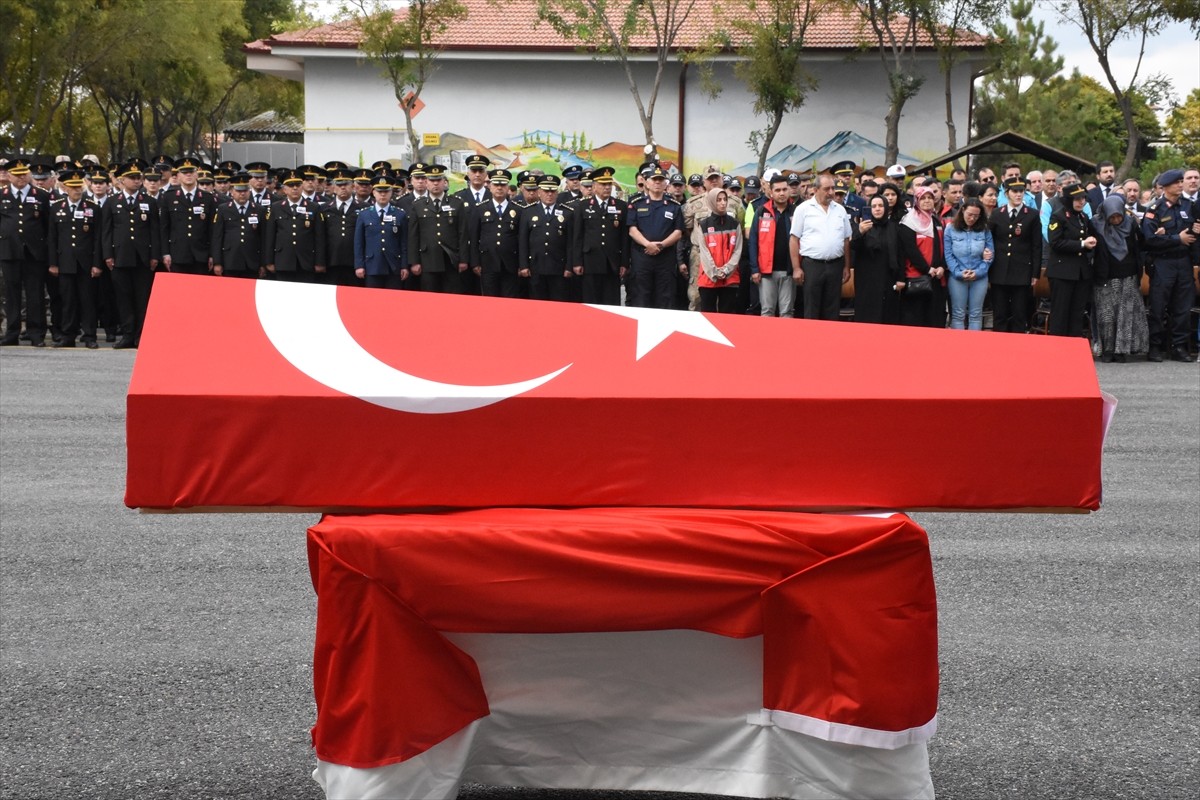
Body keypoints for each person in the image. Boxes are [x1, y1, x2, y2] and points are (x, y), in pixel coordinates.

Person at [100, 161, 161, 348]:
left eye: (138, 178)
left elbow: (154, 231)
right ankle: (127, 334)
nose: (136, 181)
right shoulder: (112, 202)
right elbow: (106, 231)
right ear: (122, 180)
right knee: (123, 298)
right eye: (132, 178)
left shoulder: (149, 202)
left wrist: (154, 255)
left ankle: (141, 335)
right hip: (120, 256)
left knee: (142, 299)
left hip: (143, 257)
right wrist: (108, 255)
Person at [1141, 168, 1198, 362]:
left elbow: (1193, 233)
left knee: (1183, 306)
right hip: (1163, 262)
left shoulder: (1189, 206)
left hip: (1184, 261)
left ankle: (1179, 346)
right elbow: (1149, 239)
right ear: (1165, 187)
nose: (1181, 185)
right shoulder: (1155, 209)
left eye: (1182, 181)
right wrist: (1176, 239)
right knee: (1158, 306)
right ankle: (1155, 346)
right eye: (1177, 182)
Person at [46, 167, 102, 348]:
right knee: (67, 300)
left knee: (87, 300)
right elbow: (52, 238)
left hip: (86, 262)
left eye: (79, 186)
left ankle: (90, 336)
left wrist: (97, 264)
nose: (77, 190)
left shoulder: (92, 208)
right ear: (65, 187)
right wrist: (53, 263)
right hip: (65, 262)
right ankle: (68, 335)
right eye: (73, 187)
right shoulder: (57, 207)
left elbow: (98, 238)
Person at [0, 157, 51, 346]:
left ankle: (36, 333)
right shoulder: (2, 195)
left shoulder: (41, 195)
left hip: (34, 252)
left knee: (35, 294)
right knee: (11, 294)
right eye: (17, 175)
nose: (21, 178)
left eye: (24, 174)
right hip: (9, 251)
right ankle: (12, 332)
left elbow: (47, 225)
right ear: (9, 176)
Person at [1091, 194, 1148, 362]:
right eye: (1112, 217)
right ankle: (1107, 350)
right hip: (1104, 277)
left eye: (1118, 216)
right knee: (1106, 316)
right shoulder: (1095, 224)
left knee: (1125, 315)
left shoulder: (1131, 223)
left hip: (1128, 276)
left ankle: (1121, 350)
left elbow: (1141, 244)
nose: (1116, 220)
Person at [789, 173, 851, 321]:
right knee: (812, 308)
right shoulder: (803, 209)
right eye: (827, 189)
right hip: (812, 266)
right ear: (816, 190)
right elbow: (794, 239)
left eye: (833, 188)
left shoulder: (840, 210)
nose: (831, 192)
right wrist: (796, 268)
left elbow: (846, 240)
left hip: (835, 265)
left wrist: (847, 266)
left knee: (832, 309)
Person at [626, 163, 684, 308]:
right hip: (642, 258)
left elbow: (678, 232)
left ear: (665, 184)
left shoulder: (674, 205)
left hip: (665, 259)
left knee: (665, 298)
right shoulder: (636, 204)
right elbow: (632, 230)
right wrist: (648, 244)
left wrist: (661, 245)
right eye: (654, 179)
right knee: (641, 298)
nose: (657, 183)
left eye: (661, 180)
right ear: (646, 182)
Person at [988, 177, 1041, 333]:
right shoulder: (997, 214)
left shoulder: (1032, 214)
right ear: (1006, 193)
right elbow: (989, 240)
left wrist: (1035, 273)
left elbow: (1036, 245)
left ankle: (1018, 344)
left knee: (1019, 314)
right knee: (1000, 313)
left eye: (1021, 191)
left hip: (1022, 271)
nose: (1018, 194)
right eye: (1014, 191)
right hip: (1000, 270)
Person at [408, 163, 471, 293]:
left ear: (444, 182)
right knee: (430, 297)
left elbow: (463, 233)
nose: (435, 183)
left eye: (438, 180)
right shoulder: (418, 205)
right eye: (432, 180)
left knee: (451, 297)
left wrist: (463, 260)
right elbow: (413, 236)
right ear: (426, 182)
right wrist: (414, 262)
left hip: (451, 259)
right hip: (428, 260)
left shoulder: (456, 203)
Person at [571, 166, 628, 306]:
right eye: (603, 184)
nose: (607, 187)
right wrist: (577, 262)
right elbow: (578, 236)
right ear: (594, 186)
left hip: (612, 262)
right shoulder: (583, 206)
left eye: (609, 184)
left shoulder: (621, 206)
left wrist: (624, 263)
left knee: (611, 301)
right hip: (590, 261)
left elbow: (624, 238)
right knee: (591, 301)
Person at [1046, 183, 1096, 337]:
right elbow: (1055, 242)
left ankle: (1074, 346)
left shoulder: (1083, 217)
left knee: (1077, 314)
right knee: (1060, 313)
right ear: (1068, 200)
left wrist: (1090, 244)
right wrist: (1081, 244)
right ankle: (1058, 346)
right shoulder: (1059, 216)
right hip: (1063, 272)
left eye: (1083, 198)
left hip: (1080, 273)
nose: (1082, 202)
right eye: (1077, 199)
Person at [264, 168, 327, 283]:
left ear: (302, 187)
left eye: (298, 185)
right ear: (284, 189)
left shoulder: (314, 207)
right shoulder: (276, 207)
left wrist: (320, 262)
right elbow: (270, 236)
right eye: (290, 185)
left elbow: (319, 237)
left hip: (306, 261)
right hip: (283, 261)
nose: (294, 188)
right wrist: (269, 261)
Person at [897, 184, 947, 328]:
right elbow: (910, 250)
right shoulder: (908, 222)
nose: (927, 201)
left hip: (936, 277)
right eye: (923, 198)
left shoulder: (936, 221)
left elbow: (943, 246)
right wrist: (927, 269)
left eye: (930, 198)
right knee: (915, 320)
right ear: (916, 200)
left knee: (934, 320)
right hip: (916, 278)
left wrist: (941, 267)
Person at [519, 174, 574, 302]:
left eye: (553, 191)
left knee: (558, 303)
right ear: (539, 192)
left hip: (558, 268)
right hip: (535, 267)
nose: (549, 194)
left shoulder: (567, 213)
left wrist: (569, 266)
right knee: (537, 304)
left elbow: (571, 243)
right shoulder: (528, 212)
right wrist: (523, 265)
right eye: (546, 191)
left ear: (557, 192)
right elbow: (523, 241)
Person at [469, 168, 523, 298]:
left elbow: (521, 240)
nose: (499, 188)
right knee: (490, 299)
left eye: (503, 185)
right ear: (490, 187)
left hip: (510, 263)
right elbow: (474, 237)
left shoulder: (518, 210)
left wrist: (521, 264)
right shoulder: (480, 208)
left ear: (508, 188)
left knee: (509, 300)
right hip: (488, 262)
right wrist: (475, 262)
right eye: (496, 184)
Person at [849, 194, 901, 324]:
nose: (877, 209)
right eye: (873, 206)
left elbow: (900, 253)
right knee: (867, 313)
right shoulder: (862, 227)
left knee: (887, 314)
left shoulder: (894, 227)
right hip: (866, 278)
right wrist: (860, 232)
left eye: (881, 205)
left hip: (888, 277)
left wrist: (901, 278)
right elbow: (854, 247)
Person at [944, 198, 994, 331]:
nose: (972, 219)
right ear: (962, 211)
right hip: (957, 276)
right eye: (969, 215)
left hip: (979, 276)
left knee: (976, 314)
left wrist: (978, 272)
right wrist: (958, 272)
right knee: (958, 314)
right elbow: (948, 254)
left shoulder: (984, 230)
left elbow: (990, 254)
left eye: (976, 216)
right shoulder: (950, 229)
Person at [749, 174, 796, 317]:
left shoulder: (796, 212)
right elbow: (753, 241)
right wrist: (755, 269)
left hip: (789, 271)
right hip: (766, 271)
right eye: (777, 190)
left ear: (789, 190)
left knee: (787, 312)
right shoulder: (761, 211)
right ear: (771, 192)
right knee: (767, 311)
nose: (782, 193)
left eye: (784, 189)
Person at [691, 187, 741, 313]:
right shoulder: (704, 224)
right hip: (708, 278)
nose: (723, 203)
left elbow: (737, 250)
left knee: (727, 316)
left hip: (730, 278)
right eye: (719, 200)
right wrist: (714, 272)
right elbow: (704, 251)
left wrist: (726, 270)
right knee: (708, 316)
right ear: (712, 202)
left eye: (725, 199)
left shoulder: (734, 224)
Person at [354, 174, 408, 289]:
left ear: (391, 192)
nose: (383, 194)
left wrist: (404, 266)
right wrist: (359, 265)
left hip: (394, 265)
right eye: (379, 191)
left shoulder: (400, 214)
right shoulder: (364, 214)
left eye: (386, 191)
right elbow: (359, 243)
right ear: (373, 193)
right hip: (372, 265)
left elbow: (403, 242)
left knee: (393, 298)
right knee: (373, 298)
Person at [210, 172, 266, 279]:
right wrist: (217, 262)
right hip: (230, 260)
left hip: (252, 260)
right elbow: (217, 237)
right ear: (232, 191)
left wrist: (263, 263)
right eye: (239, 191)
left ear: (249, 191)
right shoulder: (223, 209)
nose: (242, 194)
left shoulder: (259, 210)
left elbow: (263, 238)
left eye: (245, 190)